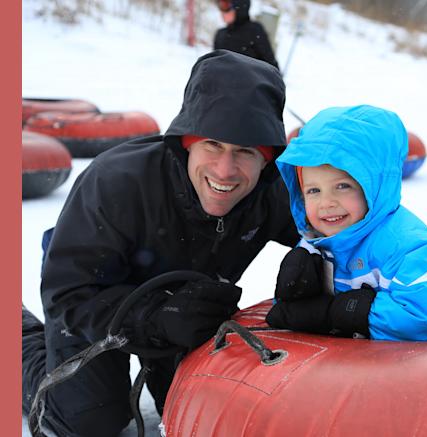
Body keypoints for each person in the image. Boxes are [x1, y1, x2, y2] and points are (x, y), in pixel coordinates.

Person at [21, 50, 298, 436]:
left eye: (246, 152)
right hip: (91, 288)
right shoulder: (115, 182)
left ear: (267, 160)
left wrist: (316, 266)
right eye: (213, 144)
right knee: (89, 420)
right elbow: (69, 293)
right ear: (187, 142)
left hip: (190, 316)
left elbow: (332, 233)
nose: (225, 170)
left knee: (196, 409)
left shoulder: (272, 193)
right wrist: (154, 318)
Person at [265, 105, 427, 341]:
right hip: (361, 364)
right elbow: (304, 310)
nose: (326, 202)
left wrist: (341, 313)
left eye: (342, 186)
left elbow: (423, 317)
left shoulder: (409, 247)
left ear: (374, 186)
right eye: (313, 190)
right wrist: (296, 299)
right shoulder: (317, 242)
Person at [213, 0, 279, 69]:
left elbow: (270, 63)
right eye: (220, 5)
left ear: (239, 7)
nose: (222, 11)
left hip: (250, 78)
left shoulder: (254, 30)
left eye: (226, 5)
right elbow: (215, 64)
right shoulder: (220, 34)